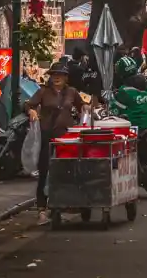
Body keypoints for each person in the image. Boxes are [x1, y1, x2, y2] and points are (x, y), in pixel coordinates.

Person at [25, 62, 85, 224]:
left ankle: (62, 205)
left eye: (60, 74)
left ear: (66, 77)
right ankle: (42, 209)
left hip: (66, 139)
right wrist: (31, 111)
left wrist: (89, 110)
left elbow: (82, 107)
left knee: (66, 172)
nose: (57, 77)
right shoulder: (43, 92)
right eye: (54, 74)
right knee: (44, 172)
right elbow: (28, 104)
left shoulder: (72, 92)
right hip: (47, 137)